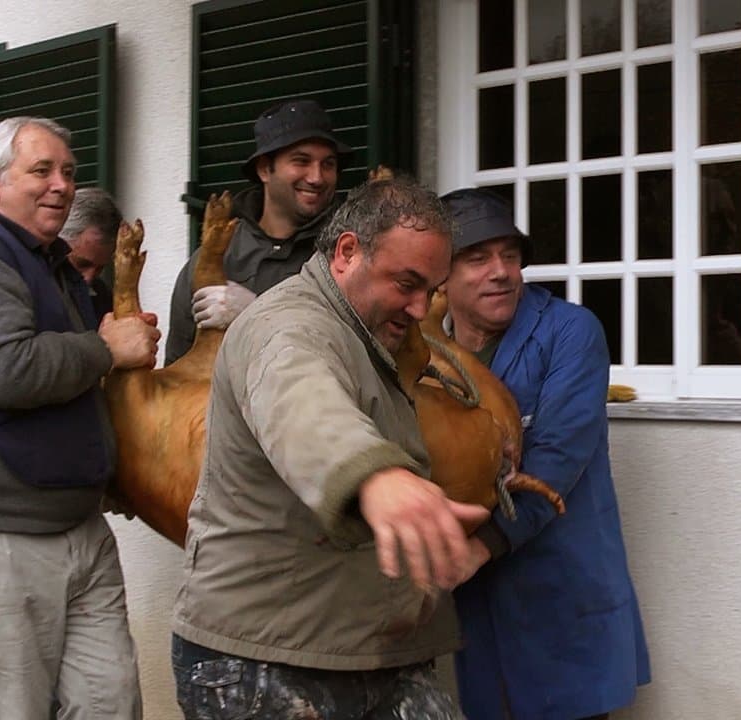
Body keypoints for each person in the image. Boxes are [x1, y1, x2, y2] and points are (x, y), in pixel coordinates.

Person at [170, 177, 490, 719]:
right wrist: (375, 476)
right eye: (406, 283)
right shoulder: (285, 327)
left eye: (431, 290)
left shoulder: (373, 330)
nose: (419, 309)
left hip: (370, 651)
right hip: (260, 662)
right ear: (347, 253)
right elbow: (302, 403)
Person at [0, 116, 159, 720]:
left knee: (110, 706)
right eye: (40, 170)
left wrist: (109, 343)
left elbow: (68, 381)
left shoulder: (55, 267)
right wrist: (105, 349)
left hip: (80, 531)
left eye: (68, 172)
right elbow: (5, 371)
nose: (61, 185)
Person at [439, 188, 650, 720]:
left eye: (510, 255)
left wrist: (479, 547)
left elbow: (556, 457)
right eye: (478, 258)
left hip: (563, 601)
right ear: (441, 274)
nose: (501, 271)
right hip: (481, 614)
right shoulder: (428, 354)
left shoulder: (570, 331)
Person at [164, 97, 350, 364]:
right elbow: (177, 370)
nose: (316, 177)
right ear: (264, 169)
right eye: (301, 161)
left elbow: (356, 351)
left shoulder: (348, 252)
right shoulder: (215, 256)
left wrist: (256, 310)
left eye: (328, 164)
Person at [62, 186, 123, 321]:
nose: (89, 278)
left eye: (100, 268)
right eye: (82, 264)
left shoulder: (102, 297)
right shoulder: (27, 288)